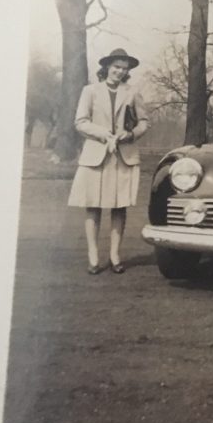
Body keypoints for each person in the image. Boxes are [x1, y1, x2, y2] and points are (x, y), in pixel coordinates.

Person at [67, 48, 149, 274]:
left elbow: (144, 122)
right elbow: (80, 122)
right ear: (107, 67)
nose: (120, 72)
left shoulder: (132, 92)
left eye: (124, 69)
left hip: (123, 155)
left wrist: (130, 135)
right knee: (93, 205)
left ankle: (115, 255)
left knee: (119, 205)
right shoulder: (90, 91)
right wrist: (104, 134)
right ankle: (93, 256)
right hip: (96, 154)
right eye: (116, 67)